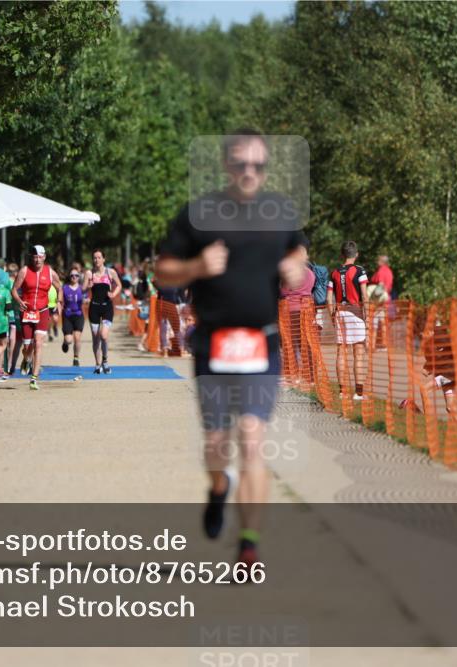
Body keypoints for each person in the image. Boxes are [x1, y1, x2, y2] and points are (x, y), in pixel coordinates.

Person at [155, 129, 306, 573]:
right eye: (241, 164)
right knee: (217, 444)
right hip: (213, 344)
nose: (249, 172)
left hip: (262, 341)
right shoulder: (199, 214)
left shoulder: (279, 212)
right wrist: (197, 267)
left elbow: (297, 245)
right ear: (226, 165)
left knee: (253, 440)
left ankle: (249, 545)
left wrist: (296, 263)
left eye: (258, 165)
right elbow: (163, 269)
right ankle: (219, 488)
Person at [12, 245, 61, 390]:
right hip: (27, 312)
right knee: (28, 347)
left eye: (40, 256)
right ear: (31, 257)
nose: (37, 259)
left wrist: (59, 302)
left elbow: (59, 287)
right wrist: (19, 301)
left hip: (43, 311)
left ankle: (34, 378)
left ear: (44, 257)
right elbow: (14, 289)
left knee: (38, 342)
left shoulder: (50, 272)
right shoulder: (24, 271)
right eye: (35, 256)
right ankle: (26, 359)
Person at [327, 240, 369, 401]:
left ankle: (342, 391)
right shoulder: (360, 270)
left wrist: (332, 315)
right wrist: (367, 315)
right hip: (355, 312)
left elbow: (328, 297)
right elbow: (364, 295)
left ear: (341, 255)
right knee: (358, 353)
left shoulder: (335, 272)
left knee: (341, 352)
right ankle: (358, 393)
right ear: (356, 254)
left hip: (340, 313)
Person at [279, 233, 315, 382]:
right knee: (305, 343)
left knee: (289, 344)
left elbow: (282, 291)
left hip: (288, 310)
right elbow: (310, 289)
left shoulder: (287, 272)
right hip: (305, 309)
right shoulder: (310, 273)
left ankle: (292, 375)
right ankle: (309, 375)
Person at [83, 250, 121, 374]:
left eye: (99, 257)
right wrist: (88, 285)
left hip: (107, 307)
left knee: (104, 335)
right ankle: (97, 364)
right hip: (94, 308)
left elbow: (119, 285)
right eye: (94, 258)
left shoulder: (110, 272)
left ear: (104, 259)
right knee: (95, 338)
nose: (97, 260)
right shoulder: (89, 273)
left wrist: (113, 294)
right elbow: (82, 288)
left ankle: (105, 361)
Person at [60, 268, 85, 367]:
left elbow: (86, 297)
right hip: (67, 316)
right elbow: (60, 300)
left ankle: (76, 358)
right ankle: (65, 342)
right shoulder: (64, 288)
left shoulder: (82, 288)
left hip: (78, 315)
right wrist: (58, 307)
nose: (74, 277)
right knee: (69, 340)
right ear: (69, 277)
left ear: (79, 277)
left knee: (77, 338)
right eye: (72, 275)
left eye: (76, 275)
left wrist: (87, 300)